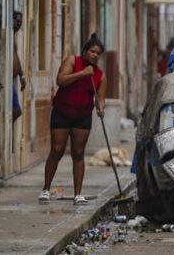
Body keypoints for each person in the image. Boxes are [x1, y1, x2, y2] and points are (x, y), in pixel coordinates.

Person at [39, 33, 107, 205]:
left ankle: (78, 194)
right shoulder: (72, 61)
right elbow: (60, 81)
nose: (95, 55)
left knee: (78, 153)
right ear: (84, 51)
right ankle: (46, 189)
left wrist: (101, 108)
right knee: (57, 150)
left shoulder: (100, 75)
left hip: (82, 116)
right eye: (92, 51)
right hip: (62, 112)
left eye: (98, 53)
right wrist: (83, 74)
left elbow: (101, 97)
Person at [13, 11, 27, 122]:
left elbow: (16, 57)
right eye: (17, 21)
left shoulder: (13, 39)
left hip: (12, 81)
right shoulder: (9, 37)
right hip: (7, 81)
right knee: (16, 111)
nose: (18, 24)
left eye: (20, 22)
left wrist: (21, 75)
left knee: (16, 111)